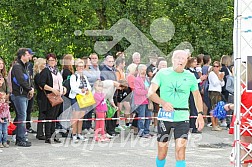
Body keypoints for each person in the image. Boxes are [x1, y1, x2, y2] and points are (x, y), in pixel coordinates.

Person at [148, 50, 204, 167]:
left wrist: (200, 114)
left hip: (182, 116)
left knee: (180, 149)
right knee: (162, 152)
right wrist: (162, 102)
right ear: (172, 60)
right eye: (178, 58)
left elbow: (197, 95)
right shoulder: (163, 73)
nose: (181, 60)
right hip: (165, 116)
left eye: (183, 58)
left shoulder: (190, 76)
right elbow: (151, 93)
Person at [38, 53, 64, 144]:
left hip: (58, 96)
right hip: (50, 97)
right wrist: (52, 89)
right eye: (50, 60)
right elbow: (42, 84)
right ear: (47, 61)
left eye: (53, 60)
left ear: (56, 61)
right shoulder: (45, 71)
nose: (52, 62)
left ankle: (53, 135)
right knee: (49, 116)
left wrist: (63, 88)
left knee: (55, 117)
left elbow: (60, 82)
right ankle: (48, 136)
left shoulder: (57, 71)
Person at [11, 48, 34, 147]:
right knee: (22, 117)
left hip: (25, 95)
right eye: (28, 54)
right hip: (19, 95)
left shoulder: (26, 66)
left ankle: (18, 135)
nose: (29, 56)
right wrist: (29, 89)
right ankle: (20, 138)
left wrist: (31, 88)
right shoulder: (17, 67)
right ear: (22, 55)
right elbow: (21, 80)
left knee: (22, 116)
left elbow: (29, 79)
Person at [69, 58, 91, 142]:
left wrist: (86, 90)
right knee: (75, 116)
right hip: (76, 97)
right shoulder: (73, 76)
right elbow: (73, 88)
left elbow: (88, 86)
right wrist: (81, 90)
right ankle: (74, 134)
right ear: (76, 67)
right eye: (79, 66)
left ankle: (79, 133)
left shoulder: (84, 76)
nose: (81, 68)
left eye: (82, 66)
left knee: (81, 116)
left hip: (83, 98)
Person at [186, 57, 207, 133]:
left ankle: (194, 126)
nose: (196, 63)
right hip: (191, 92)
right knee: (193, 108)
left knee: (195, 108)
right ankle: (193, 127)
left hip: (196, 90)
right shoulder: (188, 71)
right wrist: (200, 79)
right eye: (194, 62)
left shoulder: (194, 71)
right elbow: (191, 82)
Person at [208, 61, 225, 131]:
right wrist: (220, 78)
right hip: (213, 92)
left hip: (218, 92)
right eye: (214, 66)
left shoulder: (219, 74)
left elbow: (223, 84)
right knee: (213, 108)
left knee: (217, 108)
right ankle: (213, 124)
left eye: (217, 66)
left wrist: (220, 78)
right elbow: (215, 83)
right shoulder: (211, 74)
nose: (215, 68)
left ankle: (216, 123)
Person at [33, 58, 47, 140]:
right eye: (44, 64)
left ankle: (42, 132)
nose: (45, 65)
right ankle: (40, 133)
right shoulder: (38, 75)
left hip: (43, 96)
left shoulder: (41, 74)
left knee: (44, 114)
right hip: (41, 96)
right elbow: (41, 86)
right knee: (42, 114)